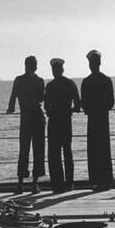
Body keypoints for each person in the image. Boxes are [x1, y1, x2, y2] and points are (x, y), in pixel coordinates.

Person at [6, 55, 45, 194]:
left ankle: (20, 185)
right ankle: (34, 185)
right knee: (38, 150)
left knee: (24, 150)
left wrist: (11, 109)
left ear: (25, 65)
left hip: (26, 118)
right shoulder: (39, 81)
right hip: (37, 117)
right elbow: (41, 98)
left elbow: (13, 97)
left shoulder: (18, 80)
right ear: (35, 66)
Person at [44, 58, 81, 193]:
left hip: (54, 122)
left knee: (54, 155)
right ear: (63, 70)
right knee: (67, 153)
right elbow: (77, 105)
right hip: (66, 121)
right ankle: (69, 184)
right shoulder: (70, 84)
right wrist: (69, 110)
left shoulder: (50, 86)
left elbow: (46, 106)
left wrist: (53, 111)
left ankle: (57, 184)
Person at [81, 50, 114, 191]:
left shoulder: (86, 82)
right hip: (103, 119)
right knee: (104, 150)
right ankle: (106, 181)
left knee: (93, 151)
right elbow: (111, 102)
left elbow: (84, 104)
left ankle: (95, 181)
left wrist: (91, 110)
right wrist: (102, 108)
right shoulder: (107, 80)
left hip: (93, 119)